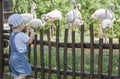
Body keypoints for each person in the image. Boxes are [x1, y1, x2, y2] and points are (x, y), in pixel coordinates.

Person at [8, 14, 34, 79]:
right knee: (24, 73)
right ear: (20, 24)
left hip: (12, 58)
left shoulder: (12, 35)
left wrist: (27, 33)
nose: (24, 24)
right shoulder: (21, 35)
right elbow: (30, 41)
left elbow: (21, 41)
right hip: (19, 59)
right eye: (23, 23)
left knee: (16, 75)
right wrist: (32, 32)